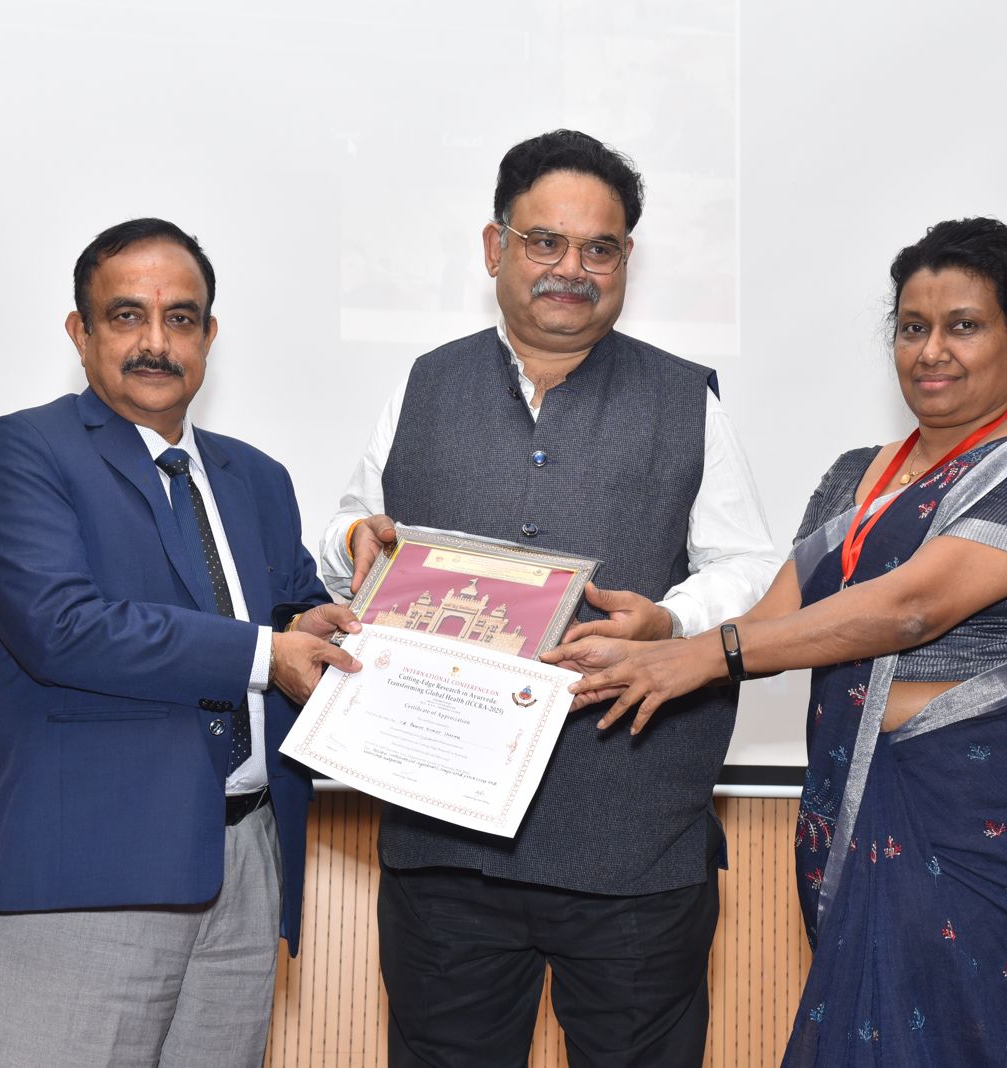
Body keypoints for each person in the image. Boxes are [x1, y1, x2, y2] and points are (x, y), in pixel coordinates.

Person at [546, 218, 1007, 1066]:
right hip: (855, 818)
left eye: (964, 326)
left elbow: (912, 609)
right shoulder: (851, 477)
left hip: (983, 836)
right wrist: (661, 636)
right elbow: (771, 622)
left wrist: (703, 655)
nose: (932, 351)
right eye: (912, 327)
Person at [319, 130, 782, 1067]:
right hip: (445, 844)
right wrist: (350, 544)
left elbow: (750, 570)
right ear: (497, 247)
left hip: (634, 846)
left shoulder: (685, 398)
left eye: (599, 248)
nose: (572, 268)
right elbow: (348, 538)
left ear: (626, 260)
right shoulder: (423, 384)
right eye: (545, 242)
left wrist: (670, 623)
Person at [0, 218, 361, 1066]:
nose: (155, 342)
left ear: (209, 337)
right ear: (80, 332)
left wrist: (375, 592)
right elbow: (62, 628)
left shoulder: (257, 478)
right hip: (90, 869)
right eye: (126, 316)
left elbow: (295, 616)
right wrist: (268, 653)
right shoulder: (26, 451)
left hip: (248, 862)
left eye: (180, 319)